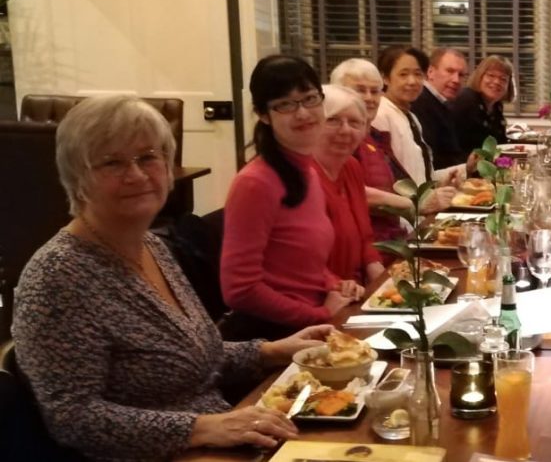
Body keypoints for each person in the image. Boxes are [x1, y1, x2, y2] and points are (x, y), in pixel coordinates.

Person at [12, 95, 336, 460]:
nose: (136, 175)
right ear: (76, 176)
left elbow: (187, 356)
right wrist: (202, 428)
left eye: (149, 157)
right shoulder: (58, 276)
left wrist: (270, 351)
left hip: (222, 441)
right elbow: (72, 417)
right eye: (111, 163)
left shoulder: (151, 245)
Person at [220, 55, 364, 340]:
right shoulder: (255, 182)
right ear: (263, 114)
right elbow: (239, 290)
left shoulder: (305, 169)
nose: (303, 113)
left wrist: (335, 284)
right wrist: (319, 315)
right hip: (275, 337)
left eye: (310, 99)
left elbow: (299, 263)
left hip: (310, 321)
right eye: (285, 104)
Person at [331, 58, 455, 243]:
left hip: (395, 239)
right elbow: (348, 191)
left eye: (374, 91)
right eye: (359, 90)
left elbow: (397, 185)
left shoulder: (375, 136)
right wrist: (416, 204)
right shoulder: (337, 138)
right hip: (369, 247)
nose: (369, 98)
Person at [313, 85, 386, 284]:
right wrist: (337, 287)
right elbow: (300, 259)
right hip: (320, 295)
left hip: (355, 289)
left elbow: (365, 237)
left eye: (355, 122)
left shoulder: (351, 167)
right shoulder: (303, 174)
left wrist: (381, 280)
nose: (345, 130)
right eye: (333, 120)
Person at [411, 48, 468, 169]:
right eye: (450, 71)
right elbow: (434, 160)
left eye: (461, 75)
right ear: (430, 72)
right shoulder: (420, 103)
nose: (456, 80)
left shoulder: (443, 103)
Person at [449, 55, 515, 152]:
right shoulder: (466, 100)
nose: (497, 82)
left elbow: (500, 144)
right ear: (479, 77)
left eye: (503, 79)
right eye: (491, 75)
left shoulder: (497, 106)